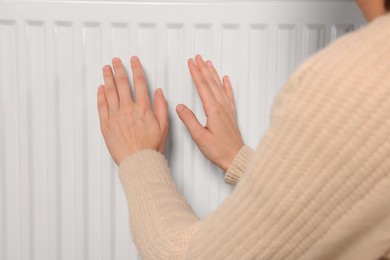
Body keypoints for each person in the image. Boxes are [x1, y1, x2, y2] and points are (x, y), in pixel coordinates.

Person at [97, 0, 390, 259]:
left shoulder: (357, 82)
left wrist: (139, 157)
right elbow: (351, 212)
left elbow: (184, 255)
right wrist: (241, 160)